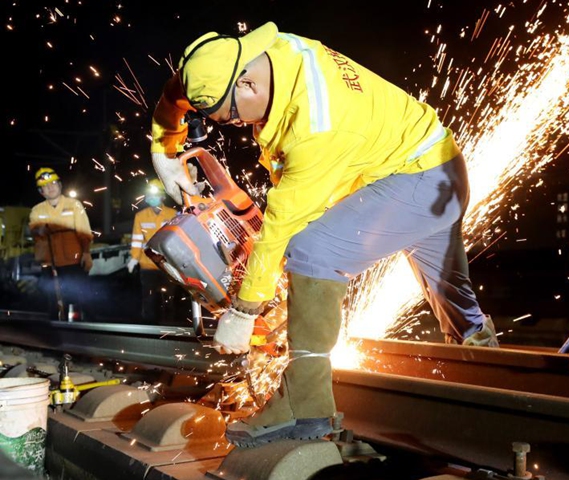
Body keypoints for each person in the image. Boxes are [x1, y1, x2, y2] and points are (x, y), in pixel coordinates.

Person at [150, 22, 499, 445]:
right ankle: (487, 372)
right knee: (451, 292)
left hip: (419, 180)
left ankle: (304, 404)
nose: (240, 126)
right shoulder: (259, 55)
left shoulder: (317, 125)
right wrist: (165, 147)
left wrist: (243, 313)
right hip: (437, 166)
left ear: (247, 84)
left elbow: (282, 224)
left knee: (311, 251)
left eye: (235, 116)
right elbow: (177, 91)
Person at [29, 168, 93, 320]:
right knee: (52, 301)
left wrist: (86, 253)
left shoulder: (74, 205)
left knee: (81, 297)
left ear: (60, 185)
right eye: (46, 185)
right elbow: (34, 230)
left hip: (74, 261)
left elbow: (84, 231)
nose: (50, 187)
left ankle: (87, 332)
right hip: (49, 263)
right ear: (41, 191)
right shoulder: (37, 210)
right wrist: (42, 229)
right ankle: (55, 336)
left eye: (53, 183)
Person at [127, 179, 178, 324]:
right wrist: (134, 258)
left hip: (168, 265)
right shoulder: (140, 216)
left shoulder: (172, 214)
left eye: (155, 195)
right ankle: (149, 329)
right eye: (149, 195)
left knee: (169, 299)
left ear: (162, 196)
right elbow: (137, 240)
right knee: (148, 299)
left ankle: (170, 327)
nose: (152, 198)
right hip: (147, 265)